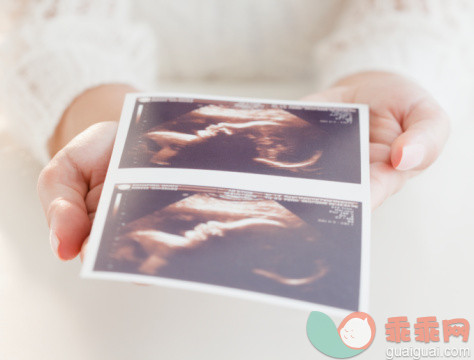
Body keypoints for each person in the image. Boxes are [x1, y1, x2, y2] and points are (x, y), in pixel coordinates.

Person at [1, 0, 471, 261]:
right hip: (121, 85)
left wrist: (389, 68)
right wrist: (98, 113)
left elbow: (424, 11)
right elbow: (49, 20)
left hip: (401, 218)